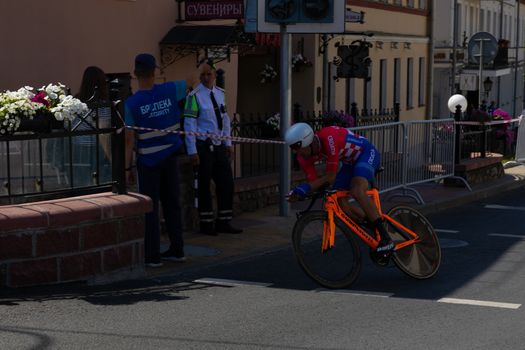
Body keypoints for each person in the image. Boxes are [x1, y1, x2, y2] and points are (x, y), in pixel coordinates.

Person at [285, 123, 394, 254]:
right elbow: (315, 183)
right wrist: (300, 193)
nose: (297, 153)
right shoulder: (303, 157)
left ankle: (386, 238)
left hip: (366, 153)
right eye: (293, 149)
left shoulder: (328, 137)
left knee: (357, 190)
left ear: (308, 141)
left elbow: (330, 177)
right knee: (338, 201)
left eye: (298, 148)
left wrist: (305, 188)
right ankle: (371, 222)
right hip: (349, 163)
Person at [124, 53, 188, 267]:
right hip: (170, 157)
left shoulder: (131, 104)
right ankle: (178, 250)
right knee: (172, 204)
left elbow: (129, 140)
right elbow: (193, 80)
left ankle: (152, 256)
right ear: (155, 71)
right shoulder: (170, 90)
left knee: (149, 208)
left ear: (135, 74)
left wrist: (127, 167)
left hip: (148, 162)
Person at [184, 61, 243, 236]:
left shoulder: (220, 94)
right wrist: (192, 150)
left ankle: (224, 221)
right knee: (203, 186)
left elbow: (225, 121)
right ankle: (206, 223)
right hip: (203, 145)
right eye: (202, 74)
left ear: (215, 75)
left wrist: (228, 144)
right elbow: (189, 124)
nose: (206, 77)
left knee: (226, 183)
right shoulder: (193, 97)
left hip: (218, 145)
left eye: (209, 74)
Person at [73, 66, 112, 186]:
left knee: (82, 184)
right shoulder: (103, 104)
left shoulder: (75, 102)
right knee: (99, 183)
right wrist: (110, 157)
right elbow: (103, 132)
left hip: (77, 147)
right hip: (96, 148)